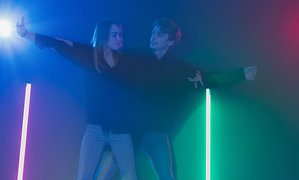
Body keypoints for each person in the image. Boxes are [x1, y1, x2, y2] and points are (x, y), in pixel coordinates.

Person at [94, 18, 257, 180]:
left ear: (170, 41)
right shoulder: (135, 56)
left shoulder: (180, 69)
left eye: (159, 34)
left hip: (156, 135)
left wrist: (241, 74)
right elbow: (109, 57)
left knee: (167, 176)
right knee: (102, 174)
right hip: (128, 131)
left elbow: (208, 79)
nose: (153, 37)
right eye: (153, 33)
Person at [16, 17, 140, 180]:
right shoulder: (88, 55)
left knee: (130, 176)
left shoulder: (125, 61)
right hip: (95, 129)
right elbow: (57, 43)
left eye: (120, 35)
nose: (119, 39)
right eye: (114, 35)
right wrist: (26, 34)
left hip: (121, 131)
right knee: (84, 177)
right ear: (103, 36)